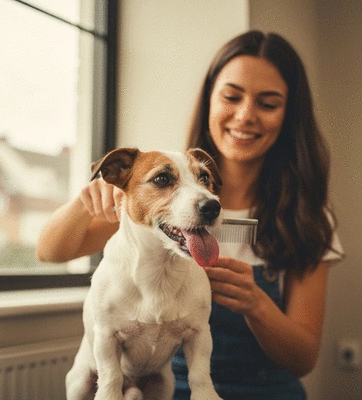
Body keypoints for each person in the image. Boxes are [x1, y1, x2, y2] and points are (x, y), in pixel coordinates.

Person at [36, 30, 344, 400]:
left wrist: (256, 303)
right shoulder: (150, 192)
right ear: (210, 100)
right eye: (231, 96)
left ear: (288, 115)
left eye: (268, 103)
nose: (245, 116)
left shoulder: (307, 215)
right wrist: (84, 200)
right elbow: (49, 251)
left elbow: (304, 358)